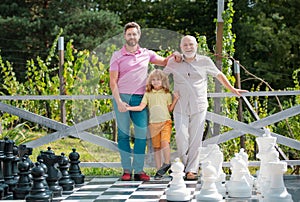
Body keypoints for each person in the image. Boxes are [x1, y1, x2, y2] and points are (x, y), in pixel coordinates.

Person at [164, 35, 248, 180]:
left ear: (196, 46)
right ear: (180, 47)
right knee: (181, 136)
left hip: (199, 104)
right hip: (180, 105)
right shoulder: (174, 62)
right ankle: (183, 166)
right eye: (185, 45)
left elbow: (219, 75)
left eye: (191, 44)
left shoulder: (205, 61)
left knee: (196, 139)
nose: (188, 47)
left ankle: (191, 170)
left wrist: (232, 89)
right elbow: (161, 77)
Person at [109, 22, 180, 181]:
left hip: (141, 99)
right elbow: (113, 81)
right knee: (123, 135)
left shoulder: (147, 54)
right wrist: (119, 101)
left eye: (134, 34)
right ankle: (126, 170)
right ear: (125, 36)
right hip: (122, 98)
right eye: (129, 34)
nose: (132, 37)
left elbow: (163, 62)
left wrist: (175, 55)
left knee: (141, 135)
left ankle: (139, 170)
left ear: (139, 36)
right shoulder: (117, 56)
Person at [126, 69, 179, 180]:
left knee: (165, 142)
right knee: (156, 147)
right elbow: (141, 107)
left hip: (165, 122)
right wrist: (129, 108)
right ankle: (159, 170)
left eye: (158, 80)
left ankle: (167, 162)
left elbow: (170, 109)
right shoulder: (148, 94)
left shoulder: (166, 94)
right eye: (153, 80)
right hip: (153, 124)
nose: (155, 82)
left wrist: (176, 99)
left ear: (163, 81)